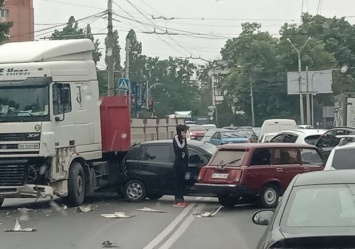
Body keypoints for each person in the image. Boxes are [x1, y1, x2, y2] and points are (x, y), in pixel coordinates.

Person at [173, 124, 189, 207]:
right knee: (178, 182)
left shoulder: (183, 139)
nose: (185, 133)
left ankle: (181, 198)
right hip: (178, 163)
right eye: (184, 131)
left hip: (183, 163)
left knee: (182, 182)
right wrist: (183, 140)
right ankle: (177, 199)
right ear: (180, 131)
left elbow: (185, 150)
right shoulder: (176, 138)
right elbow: (180, 147)